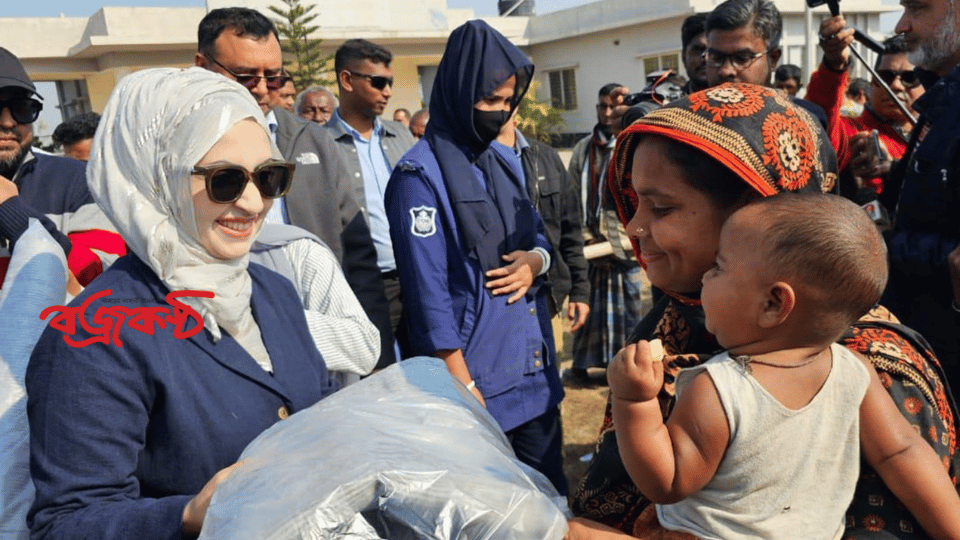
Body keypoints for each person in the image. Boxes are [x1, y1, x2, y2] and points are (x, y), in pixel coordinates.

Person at [569, 83, 960, 540]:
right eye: (635, 203)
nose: (634, 227)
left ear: (754, 211)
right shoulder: (676, 323)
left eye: (661, 207)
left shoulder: (878, 368)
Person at [26, 67, 340, 540]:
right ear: (154, 177)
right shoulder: (97, 334)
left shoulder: (274, 293)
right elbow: (66, 523)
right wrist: (189, 514)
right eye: (225, 180)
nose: (254, 203)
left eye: (271, 177)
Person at [608, 192, 960, 539]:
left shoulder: (718, 388)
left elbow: (667, 482)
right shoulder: (855, 371)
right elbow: (903, 451)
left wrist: (634, 403)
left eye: (719, 267)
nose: (704, 278)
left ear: (774, 304)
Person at [385, 19, 566, 495]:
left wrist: (534, 263)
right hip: (479, 383)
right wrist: (461, 385)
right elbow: (428, 298)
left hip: (532, 368)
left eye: (509, 101)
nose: (501, 112)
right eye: (490, 100)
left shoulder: (503, 162)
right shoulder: (417, 178)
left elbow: (542, 242)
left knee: (553, 502)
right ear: (459, 91)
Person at [195, 8, 394, 369]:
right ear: (202, 65)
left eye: (272, 77)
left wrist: (377, 358)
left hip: (322, 343)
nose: (260, 88)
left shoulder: (314, 142)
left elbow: (358, 254)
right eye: (244, 76)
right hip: (224, 344)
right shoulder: (183, 148)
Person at [850, 0, 960, 395]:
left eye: (917, 8)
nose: (902, 24)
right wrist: (892, 176)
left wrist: (885, 242)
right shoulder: (942, 98)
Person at [0, 47, 124, 288]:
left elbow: (103, 275)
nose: (8, 122)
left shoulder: (78, 179)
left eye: (22, 108)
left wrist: (14, 214)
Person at [327, 38, 415, 343]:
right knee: (377, 377)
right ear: (347, 80)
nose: (387, 91)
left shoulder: (402, 136)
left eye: (389, 82)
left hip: (415, 276)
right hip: (360, 285)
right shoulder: (320, 144)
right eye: (378, 82)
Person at [567, 82, 649, 385]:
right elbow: (572, 197)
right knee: (591, 306)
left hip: (626, 244)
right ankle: (582, 365)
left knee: (627, 308)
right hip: (591, 244)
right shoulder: (583, 148)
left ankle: (623, 369)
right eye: (602, 106)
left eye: (614, 106)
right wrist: (584, 236)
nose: (608, 112)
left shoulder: (637, 146)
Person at [493, 115, 590, 333]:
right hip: (497, 306)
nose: (499, 107)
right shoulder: (466, 165)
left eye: (505, 98)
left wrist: (580, 291)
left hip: (548, 299)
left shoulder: (545, 158)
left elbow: (570, 231)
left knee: (550, 363)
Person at [809, 28, 922, 204]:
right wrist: (834, 64)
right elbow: (819, 113)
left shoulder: (942, 133)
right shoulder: (850, 131)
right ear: (872, 84)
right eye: (885, 76)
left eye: (909, 77)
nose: (896, 86)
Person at [704, 0, 828, 129]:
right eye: (716, 58)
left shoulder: (805, 123)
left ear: (773, 58)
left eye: (741, 58)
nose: (725, 70)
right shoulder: (685, 121)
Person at [679, 13, 709, 96]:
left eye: (712, 52)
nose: (706, 58)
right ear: (684, 57)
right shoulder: (669, 106)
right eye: (698, 50)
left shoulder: (743, 104)